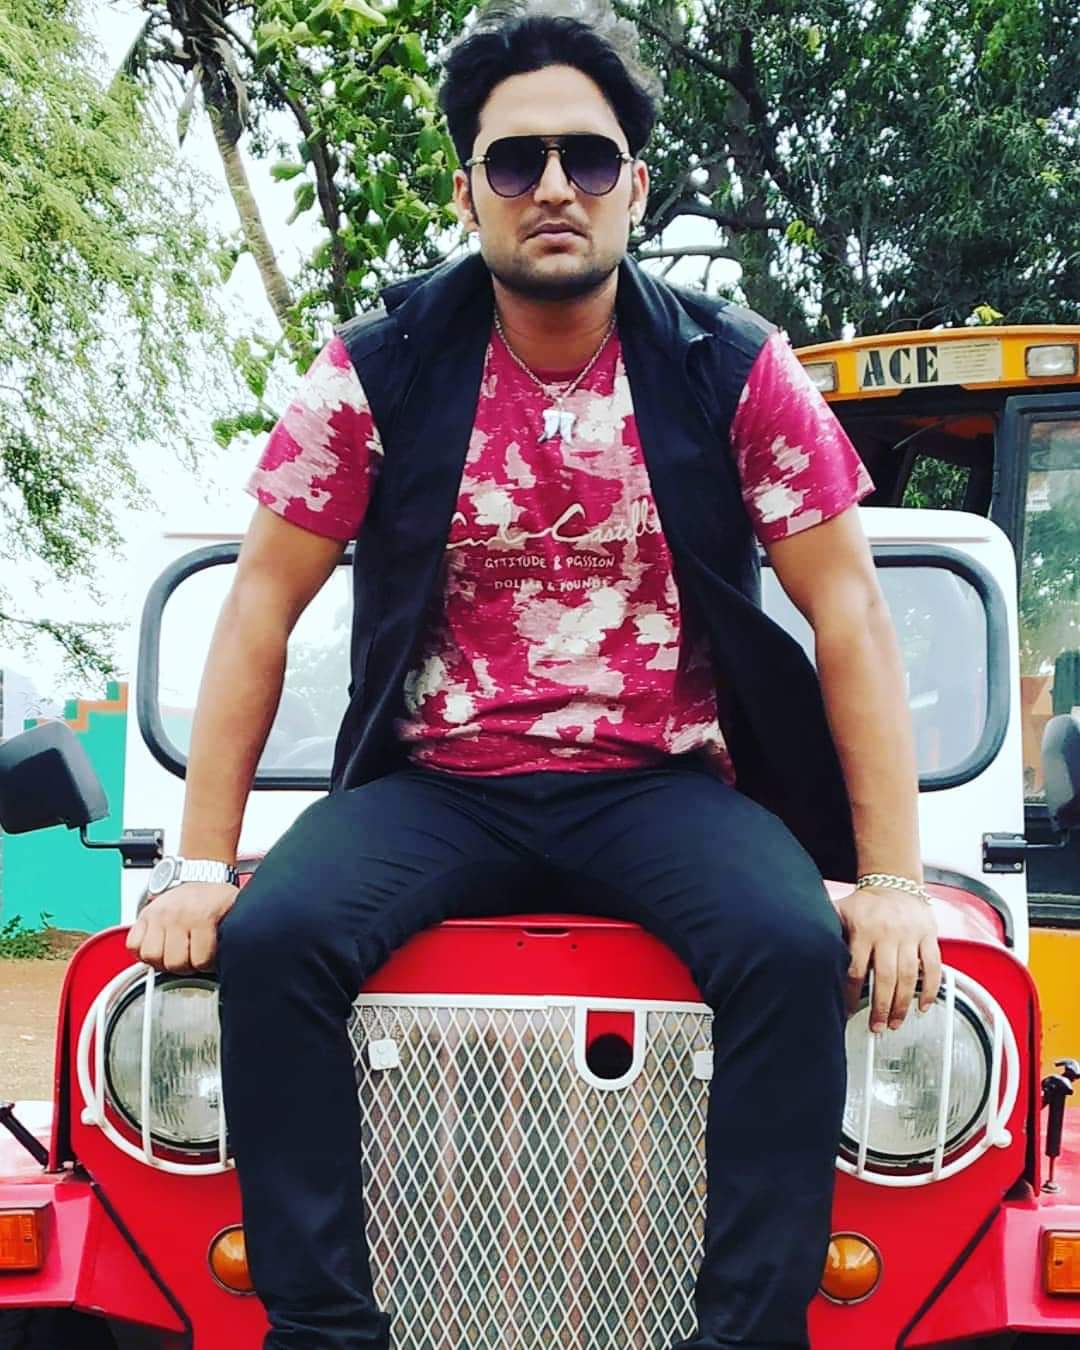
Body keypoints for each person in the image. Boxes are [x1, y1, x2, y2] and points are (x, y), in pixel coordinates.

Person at [126, 2, 941, 1345]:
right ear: (469, 193)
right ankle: (324, 1331)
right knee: (273, 940)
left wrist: (895, 881)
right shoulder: (376, 371)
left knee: (794, 944)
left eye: (588, 157)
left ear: (635, 185)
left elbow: (847, 607)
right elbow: (261, 602)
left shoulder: (733, 368)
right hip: (441, 780)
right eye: (516, 161)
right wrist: (201, 865)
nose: (554, 186)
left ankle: (744, 1335)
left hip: (660, 782)